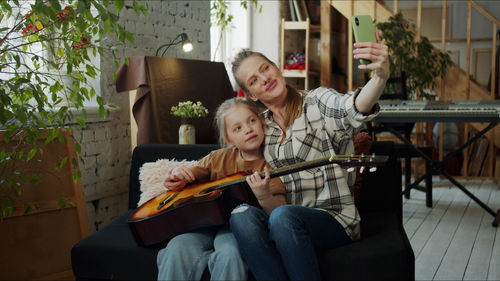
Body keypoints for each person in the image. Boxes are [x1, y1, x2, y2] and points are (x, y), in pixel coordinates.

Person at [228, 36, 389, 280]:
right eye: (254, 80)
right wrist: (189, 171)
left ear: (276, 67)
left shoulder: (317, 102)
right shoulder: (260, 126)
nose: (265, 78)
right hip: (285, 219)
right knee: (241, 216)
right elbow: (228, 153)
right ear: (251, 95)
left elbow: (353, 106)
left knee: (284, 217)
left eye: (265, 68)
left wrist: (380, 77)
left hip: (333, 219)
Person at [156, 97, 287, 281]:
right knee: (177, 246)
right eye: (237, 128)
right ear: (229, 139)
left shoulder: (271, 163)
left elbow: (279, 209)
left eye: (252, 121)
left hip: (235, 230)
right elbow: (189, 175)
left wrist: (264, 196)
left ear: (262, 122)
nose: (248, 129)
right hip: (204, 224)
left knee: (231, 254)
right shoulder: (217, 157)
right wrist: (177, 174)